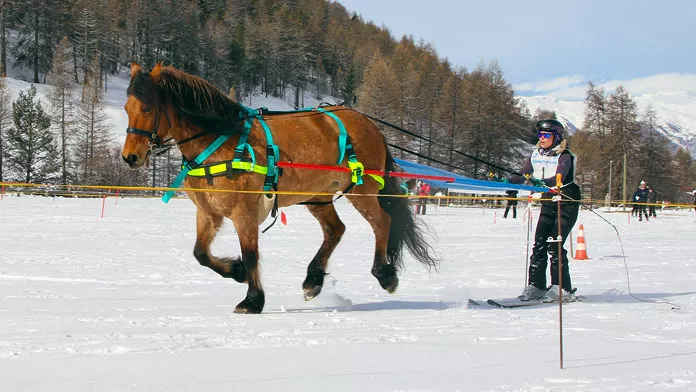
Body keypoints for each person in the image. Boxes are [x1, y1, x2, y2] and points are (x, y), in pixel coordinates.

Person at [507, 119, 581, 301]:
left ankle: (561, 287)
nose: (542, 138)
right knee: (539, 243)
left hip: (566, 201)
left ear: (556, 137)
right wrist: (508, 182)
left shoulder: (565, 156)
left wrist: (539, 183)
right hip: (548, 200)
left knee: (555, 244)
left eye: (546, 135)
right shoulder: (535, 155)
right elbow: (522, 174)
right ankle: (536, 285)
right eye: (540, 135)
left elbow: (559, 178)